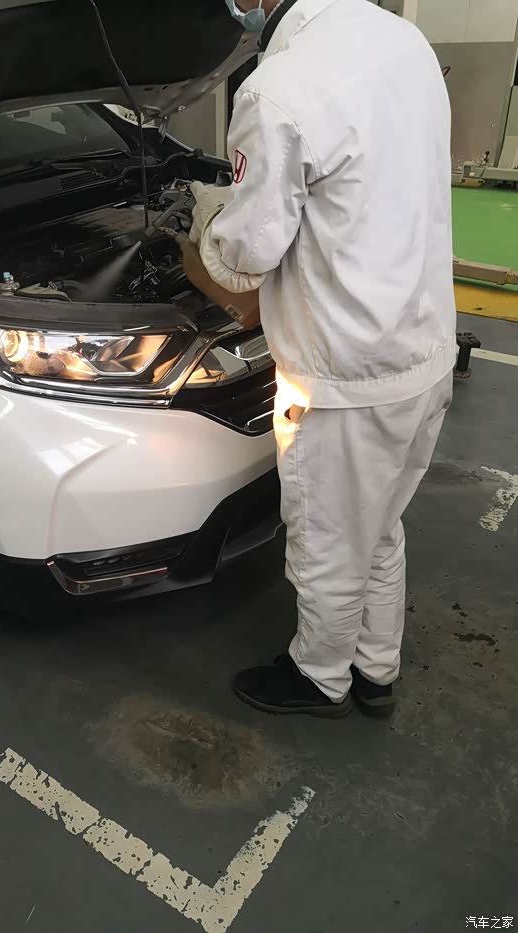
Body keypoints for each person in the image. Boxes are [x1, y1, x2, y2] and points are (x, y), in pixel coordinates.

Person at [181, 0, 456, 718]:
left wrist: (201, 230)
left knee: (328, 542)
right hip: (421, 348)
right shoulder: (403, 39)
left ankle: (320, 678)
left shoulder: (278, 89)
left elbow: (245, 259)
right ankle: (375, 669)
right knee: (379, 525)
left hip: (344, 377)